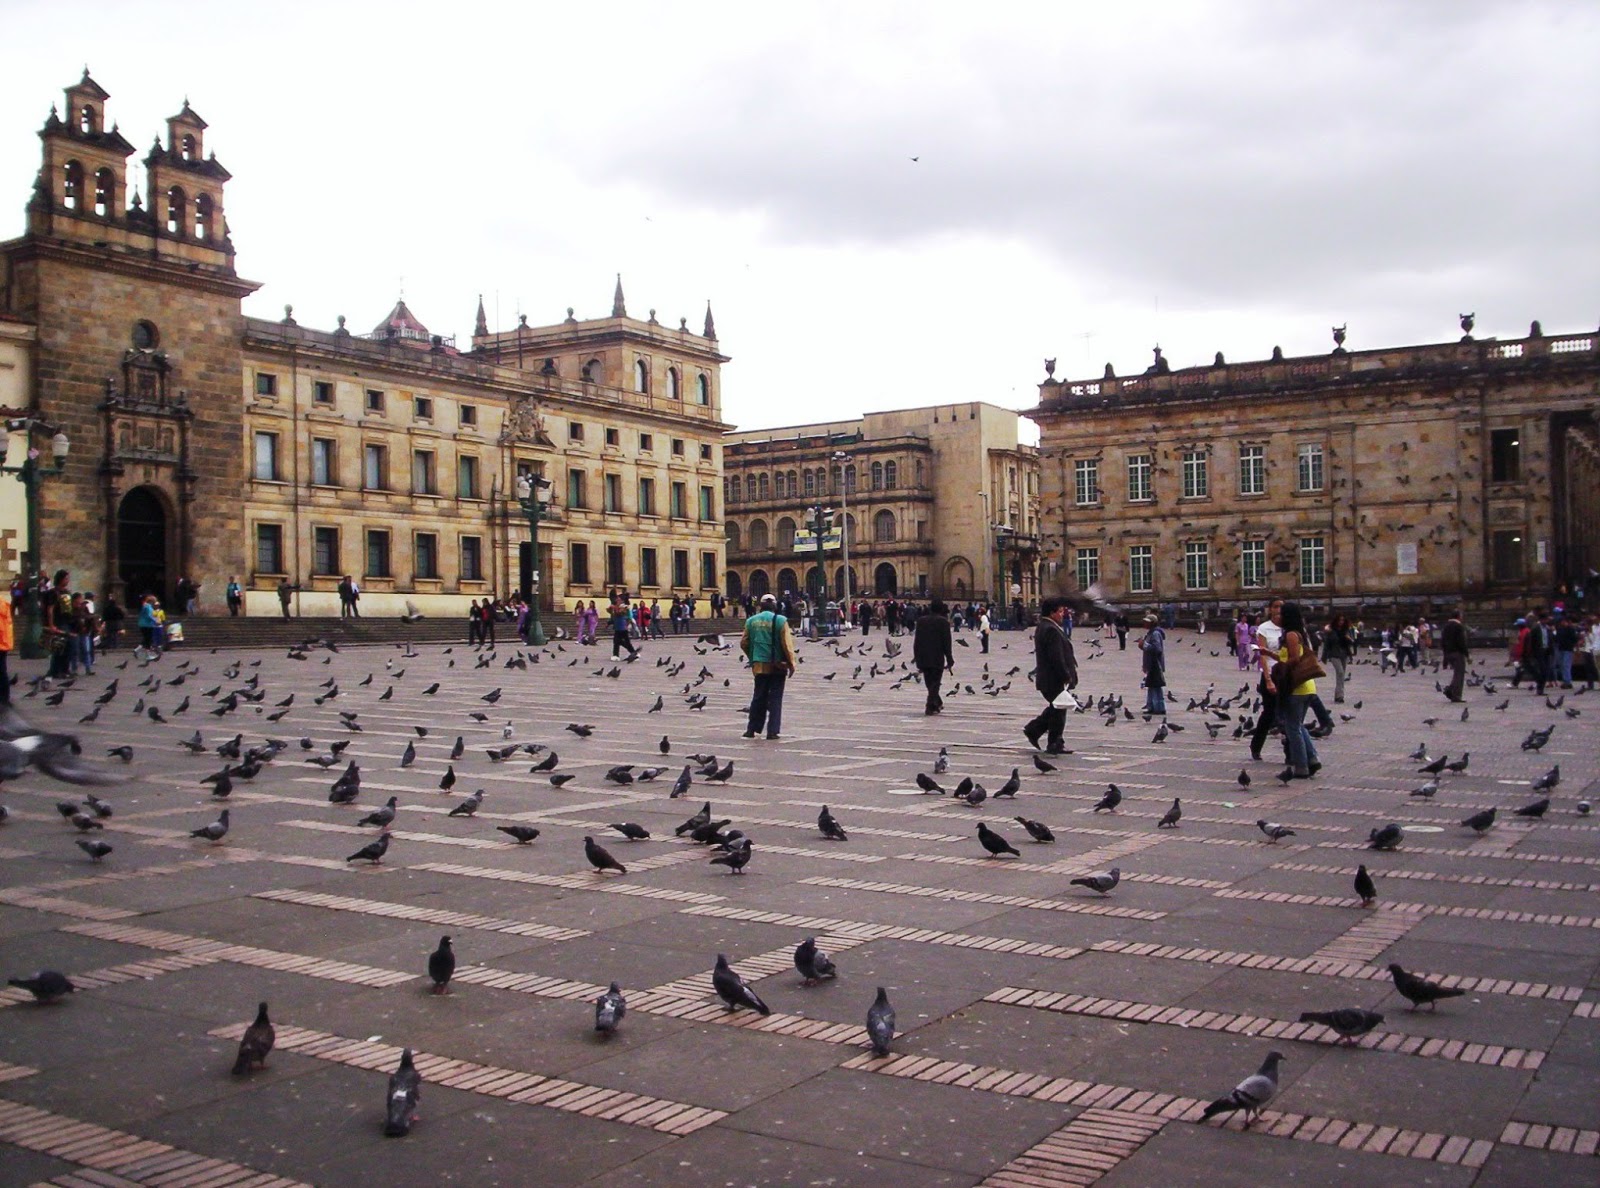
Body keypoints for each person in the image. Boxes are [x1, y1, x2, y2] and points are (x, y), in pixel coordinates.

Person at [1265, 601, 1321, 780]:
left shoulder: (1290, 634)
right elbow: (1291, 655)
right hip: (1306, 686)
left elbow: (1295, 659)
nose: (1277, 616)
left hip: (1297, 687)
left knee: (1292, 728)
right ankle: (1311, 759)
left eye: (1281, 613)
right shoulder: (1297, 632)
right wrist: (1269, 653)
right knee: (1297, 725)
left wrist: (1280, 666)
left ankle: (1301, 766)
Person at [1023, 596, 1077, 754]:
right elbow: (1056, 657)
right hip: (1053, 679)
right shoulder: (1051, 629)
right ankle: (1051, 740)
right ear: (1052, 613)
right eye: (1060, 611)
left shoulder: (1045, 626)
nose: (1062, 614)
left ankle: (1038, 732)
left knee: (1057, 708)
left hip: (1048, 678)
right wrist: (1065, 675)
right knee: (1059, 709)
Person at [741, 593, 797, 739]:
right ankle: (772, 731)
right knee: (775, 698)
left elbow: (744, 643)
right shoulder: (780, 620)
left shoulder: (751, 621)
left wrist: (753, 656)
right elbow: (786, 644)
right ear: (774, 605)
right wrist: (791, 664)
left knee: (758, 696)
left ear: (760, 605)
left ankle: (751, 729)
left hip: (759, 665)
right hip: (777, 665)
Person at [1249, 598, 1285, 762]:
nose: (1278, 610)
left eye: (1281, 607)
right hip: (1271, 672)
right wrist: (1268, 679)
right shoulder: (1264, 628)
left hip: (1287, 674)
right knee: (1269, 713)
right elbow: (1263, 655)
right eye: (1275, 606)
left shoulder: (1289, 626)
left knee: (1288, 714)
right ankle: (1256, 746)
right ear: (1270, 609)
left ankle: (1290, 752)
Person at [912, 598, 954, 715]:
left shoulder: (921, 621)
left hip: (924, 657)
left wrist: (917, 657)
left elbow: (917, 641)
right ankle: (929, 705)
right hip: (937, 657)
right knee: (935, 683)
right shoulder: (943, 622)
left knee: (930, 683)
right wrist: (949, 658)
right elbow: (947, 643)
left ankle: (936, 703)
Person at [1320, 613, 1356, 703]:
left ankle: (1339, 696)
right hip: (1334, 654)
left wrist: (1349, 639)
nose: (1341, 622)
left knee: (1342, 674)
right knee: (1340, 672)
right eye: (1340, 620)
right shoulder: (1331, 631)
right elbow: (1327, 644)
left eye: (1343, 620)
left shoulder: (1345, 631)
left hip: (1344, 654)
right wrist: (1324, 656)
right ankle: (1339, 695)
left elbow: (1351, 643)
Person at [1440, 607, 1470, 701]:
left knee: (1456, 673)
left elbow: (1443, 642)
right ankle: (1456, 694)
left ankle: (1450, 690)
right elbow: (1461, 642)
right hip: (1458, 653)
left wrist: (1445, 659)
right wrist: (1467, 654)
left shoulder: (1446, 626)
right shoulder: (1459, 626)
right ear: (1459, 616)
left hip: (1448, 653)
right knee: (1459, 674)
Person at [1140, 612, 1166, 715]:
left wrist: (1144, 645)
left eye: (1147, 622)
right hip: (1151, 663)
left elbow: (1157, 649)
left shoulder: (1155, 634)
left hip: (1155, 663)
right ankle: (1151, 706)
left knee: (1155, 686)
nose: (1144, 624)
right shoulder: (1151, 633)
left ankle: (1159, 707)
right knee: (1151, 685)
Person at [609, 594, 637, 661]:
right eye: (617, 599)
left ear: (622, 600)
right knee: (618, 641)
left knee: (621, 641)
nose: (617, 600)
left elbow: (628, 616)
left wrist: (628, 624)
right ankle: (632, 652)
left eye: (618, 599)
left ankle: (616, 655)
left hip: (623, 626)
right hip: (617, 626)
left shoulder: (625, 607)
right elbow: (613, 614)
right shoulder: (616, 606)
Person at [136, 593, 162, 659]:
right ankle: (147, 655)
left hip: (143, 624)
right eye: (154, 602)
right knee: (148, 640)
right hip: (147, 625)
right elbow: (149, 616)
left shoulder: (145, 606)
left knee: (146, 639)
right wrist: (155, 621)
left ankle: (137, 650)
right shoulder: (148, 607)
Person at [0, 585, 11, 704]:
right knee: (2, 670)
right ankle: (4, 696)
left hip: (1, 643)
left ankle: (4, 697)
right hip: (4, 643)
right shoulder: (3, 603)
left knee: (1, 671)